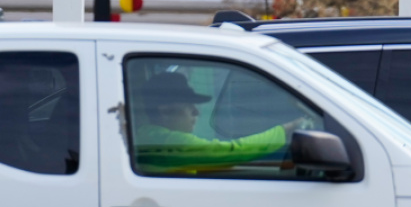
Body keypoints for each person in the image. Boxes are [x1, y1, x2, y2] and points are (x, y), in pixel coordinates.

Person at [133, 71, 311, 172]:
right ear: (165, 111)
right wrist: (286, 130)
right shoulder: (169, 142)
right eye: (188, 107)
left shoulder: (148, 135)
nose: (196, 112)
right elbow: (231, 152)